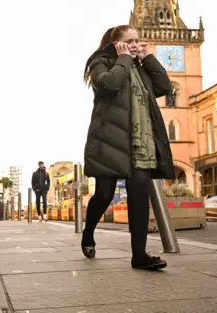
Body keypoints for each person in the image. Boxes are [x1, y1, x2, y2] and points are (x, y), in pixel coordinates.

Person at [82, 25, 175, 270]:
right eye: (130, 41)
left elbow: (165, 88)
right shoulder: (100, 63)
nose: (136, 45)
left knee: (139, 197)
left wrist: (149, 59)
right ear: (116, 43)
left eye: (137, 41)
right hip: (109, 142)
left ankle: (139, 255)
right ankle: (88, 231)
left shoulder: (140, 67)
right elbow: (109, 84)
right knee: (103, 195)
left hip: (139, 143)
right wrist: (123, 58)